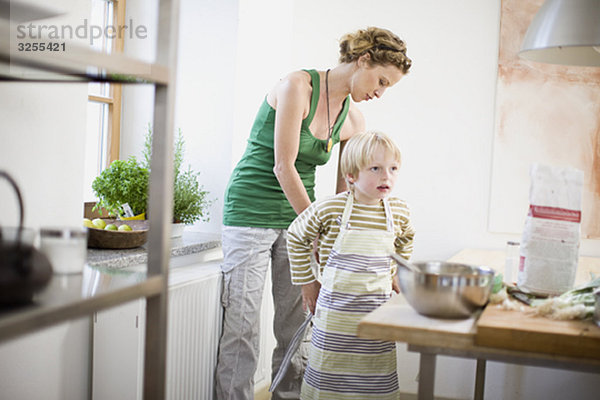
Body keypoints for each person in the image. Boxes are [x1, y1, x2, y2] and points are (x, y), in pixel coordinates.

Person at [216, 27, 412, 400]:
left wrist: (339, 239)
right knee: (242, 328)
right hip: (250, 213)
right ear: (363, 59)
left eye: (388, 87)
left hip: (298, 222)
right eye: (381, 80)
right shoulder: (297, 87)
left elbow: (348, 191)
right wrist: (318, 228)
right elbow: (283, 167)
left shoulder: (353, 121)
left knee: (296, 324)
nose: (379, 93)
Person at [287, 131, 415, 399]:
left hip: (374, 315)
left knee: (373, 379)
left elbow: (406, 241)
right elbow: (296, 235)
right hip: (335, 319)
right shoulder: (331, 209)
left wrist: (395, 274)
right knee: (329, 382)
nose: (386, 177)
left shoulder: (399, 211)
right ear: (351, 176)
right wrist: (308, 284)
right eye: (376, 168)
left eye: (393, 169)